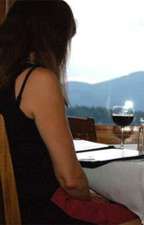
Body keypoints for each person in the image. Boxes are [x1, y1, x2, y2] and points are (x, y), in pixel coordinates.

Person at [0, 1, 94, 224]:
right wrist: (92, 197)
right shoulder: (39, 80)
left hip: (10, 210)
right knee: (137, 216)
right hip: (39, 211)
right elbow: (70, 180)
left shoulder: (6, 80)